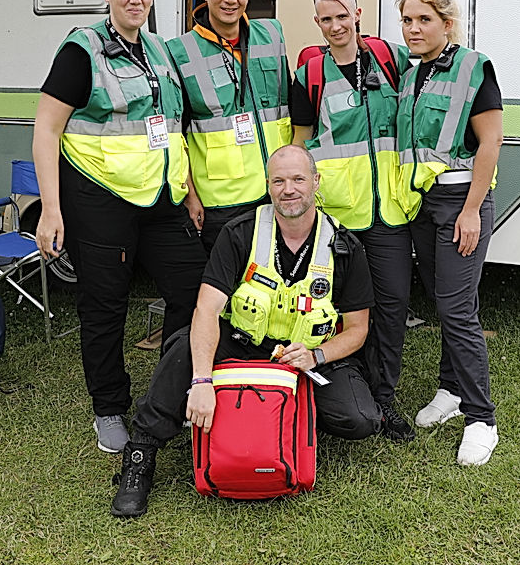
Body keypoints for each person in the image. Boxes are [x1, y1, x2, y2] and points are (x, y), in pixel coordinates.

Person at [110, 145, 381, 517]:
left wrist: (316, 355)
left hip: (305, 359)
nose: (289, 189)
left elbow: (357, 330)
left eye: (299, 179)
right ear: (268, 186)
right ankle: (140, 458)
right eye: (279, 180)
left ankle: (277, 421)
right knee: (183, 352)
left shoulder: (345, 247)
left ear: (316, 183)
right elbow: (206, 309)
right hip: (243, 345)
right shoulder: (241, 232)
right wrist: (202, 382)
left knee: (360, 419)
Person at [32, 0, 206, 455]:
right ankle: (109, 408)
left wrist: (189, 189)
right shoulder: (82, 50)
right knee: (104, 306)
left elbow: (175, 128)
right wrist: (51, 208)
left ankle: (168, 391)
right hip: (100, 198)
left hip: (163, 199)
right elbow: (46, 129)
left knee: (194, 292)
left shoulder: (158, 49)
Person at [289, 0, 417, 442]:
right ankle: (340, 387)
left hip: (389, 213)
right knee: (336, 307)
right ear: (317, 23)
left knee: (391, 305)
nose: (336, 25)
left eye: (343, 16)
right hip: (337, 216)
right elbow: (300, 141)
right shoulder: (310, 74)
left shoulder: (391, 60)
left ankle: (381, 401)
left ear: (358, 14)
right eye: (326, 19)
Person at [395, 0, 504, 467]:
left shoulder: (473, 67)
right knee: (444, 300)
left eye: (424, 20)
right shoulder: (411, 73)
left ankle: (482, 419)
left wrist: (470, 211)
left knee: (457, 310)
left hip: (462, 201)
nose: (413, 29)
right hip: (423, 204)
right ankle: (451, 390)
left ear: (447, 24)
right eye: (407, 20)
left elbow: (490, 143)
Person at [166, 0, 292, 252]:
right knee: (225, 283)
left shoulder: (272, 34)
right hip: (221, 200)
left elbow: (292, 109)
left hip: (276, 189)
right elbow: (175, 136)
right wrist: (190, 194)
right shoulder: (179, 51)